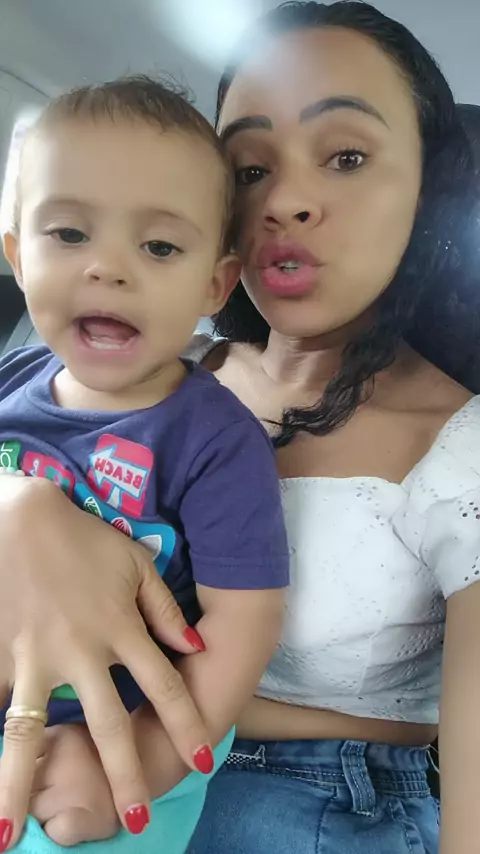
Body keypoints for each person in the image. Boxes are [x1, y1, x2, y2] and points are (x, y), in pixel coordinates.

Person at [0, 1, 478, 853]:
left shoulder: (463, 452)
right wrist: (19, 505)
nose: (285, 201)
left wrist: (144, 741)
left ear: (427, 186)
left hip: (317, 807)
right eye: (250, 169)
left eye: (347, 157)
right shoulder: (143, 368)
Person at [0, 76, 287, 852]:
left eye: (159, 247)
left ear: (214, 284)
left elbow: (243, 621)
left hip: (118, 733)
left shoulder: (217, 440)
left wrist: (147, 758)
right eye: (69, 234)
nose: (108, 267)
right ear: (18, 256)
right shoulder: (10, 380)